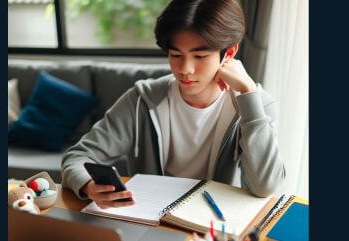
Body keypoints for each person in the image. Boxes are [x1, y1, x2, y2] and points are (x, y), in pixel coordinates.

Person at [61, 0, 285, 209]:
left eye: (200, 56)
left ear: (230, 52)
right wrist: (89, 186)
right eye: (176, 54)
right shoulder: (141, 99)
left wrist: (248, 94)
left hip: (213, 223)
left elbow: (265, 186)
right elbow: (77, 157)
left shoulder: (256, 106)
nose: (185, 69)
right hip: (150, 217)